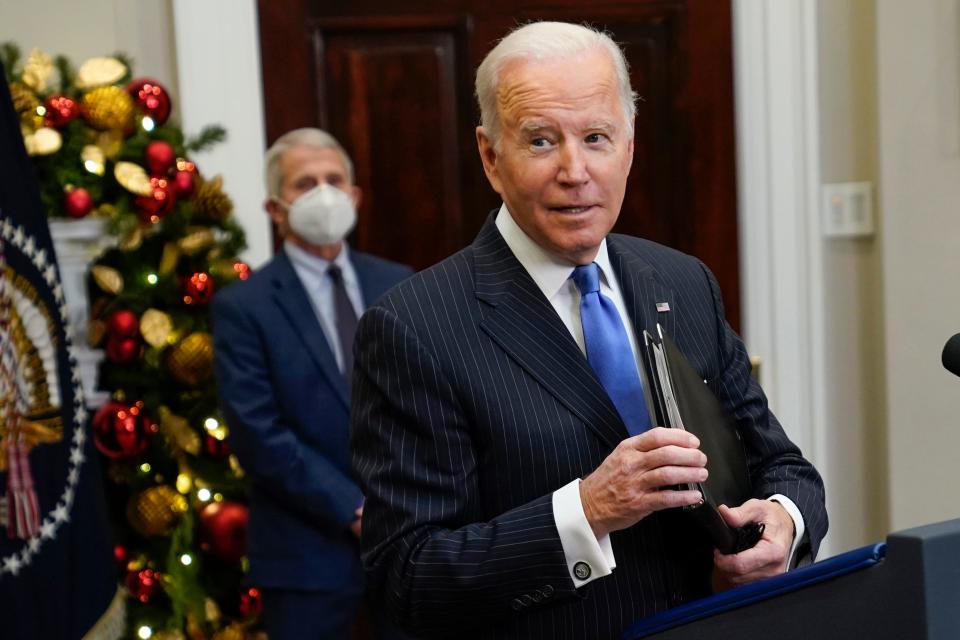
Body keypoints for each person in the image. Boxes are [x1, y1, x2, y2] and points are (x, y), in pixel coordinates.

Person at [349, 21, 828, 639]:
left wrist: (785, 523)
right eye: (542, 141)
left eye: (596, 137)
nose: (575, 170)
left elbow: (782, 464)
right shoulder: (413, 327)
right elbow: (405, 580)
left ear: (629, 147)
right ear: (491, 158)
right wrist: (588, 510)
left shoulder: (681, 282)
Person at [212, 127, 413, 640]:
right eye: (305, 183)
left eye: (333, 179)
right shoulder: (244, 306)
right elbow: (259, 432)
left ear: (355, 196)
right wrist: (352, 507)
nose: (323, 193)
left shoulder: (399, 282)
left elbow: (426, 398)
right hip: (304, 555)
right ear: (275, 209)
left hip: (410, 539)